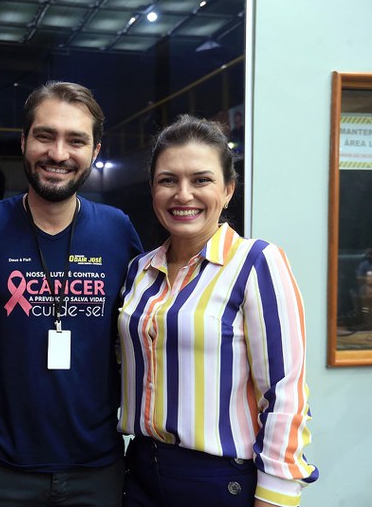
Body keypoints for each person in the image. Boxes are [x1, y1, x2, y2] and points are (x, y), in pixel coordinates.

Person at [0, 80, 143, 506]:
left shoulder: (117, 230)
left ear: (95, 151)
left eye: (76, 140)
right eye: (45, 136)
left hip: (96, 468)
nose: (58, 153)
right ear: (24, 141)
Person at [117, 114, 318, 507]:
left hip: (219, 480)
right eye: (168, 180)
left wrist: (276, 496)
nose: (183, 194)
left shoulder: (256, 263)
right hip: (140, 470)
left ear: (228, 190)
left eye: (201, 180)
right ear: (153, 189)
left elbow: (285, 394)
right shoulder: (140, 269)